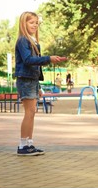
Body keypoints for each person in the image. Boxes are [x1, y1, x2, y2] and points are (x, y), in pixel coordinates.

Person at [15, 11, 66, 156]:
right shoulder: (23, 40)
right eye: (31, 22)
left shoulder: (33, 41)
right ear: (23, 24)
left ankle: (29, 144)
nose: (35, 25)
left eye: (36, 23)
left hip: (32, 80)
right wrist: (48, 59)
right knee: (29, 112)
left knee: (32, 112)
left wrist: (39, 86)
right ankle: (23, 145)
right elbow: (28, 60)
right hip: (25, 80)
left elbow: (35, 66)